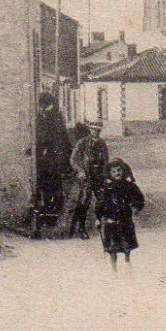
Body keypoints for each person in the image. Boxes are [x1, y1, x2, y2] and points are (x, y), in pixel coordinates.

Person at [32, 93, 73, 238]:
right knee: (49, 189)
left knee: (52, 189)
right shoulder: (47, 118)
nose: (42, 109)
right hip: (48, 161)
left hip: (52, 161)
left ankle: (51, 218)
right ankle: (49, 217)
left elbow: (53, 139)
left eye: (44, 106)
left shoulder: (52, 119)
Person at [95, 159, 145, 270]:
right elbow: (100, 204)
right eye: (114, 171)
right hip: (111, 222)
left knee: (126, 245)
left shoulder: (129, 186)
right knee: (112, 248)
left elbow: (139, 198)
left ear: (123, 171)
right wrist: (98, 217)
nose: (117, 173)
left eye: (119, 170)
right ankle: (114, 269)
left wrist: (136, 207)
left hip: (125, 221)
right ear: (110, 173)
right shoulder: (106, 188)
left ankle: (127, 261)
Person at [68, 120, 111, 239]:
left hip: (99, 177)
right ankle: (81, 227)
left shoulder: (102, 143)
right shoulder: (83, 142)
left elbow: (106, 161)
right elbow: (73, 159)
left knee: (102, 200)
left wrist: (106, 175)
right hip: (86, 176)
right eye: (93, 129)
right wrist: (80, 171)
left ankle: (99, 222)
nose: (96, 132)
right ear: (90, 130)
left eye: (98, 130)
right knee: (85, 200)